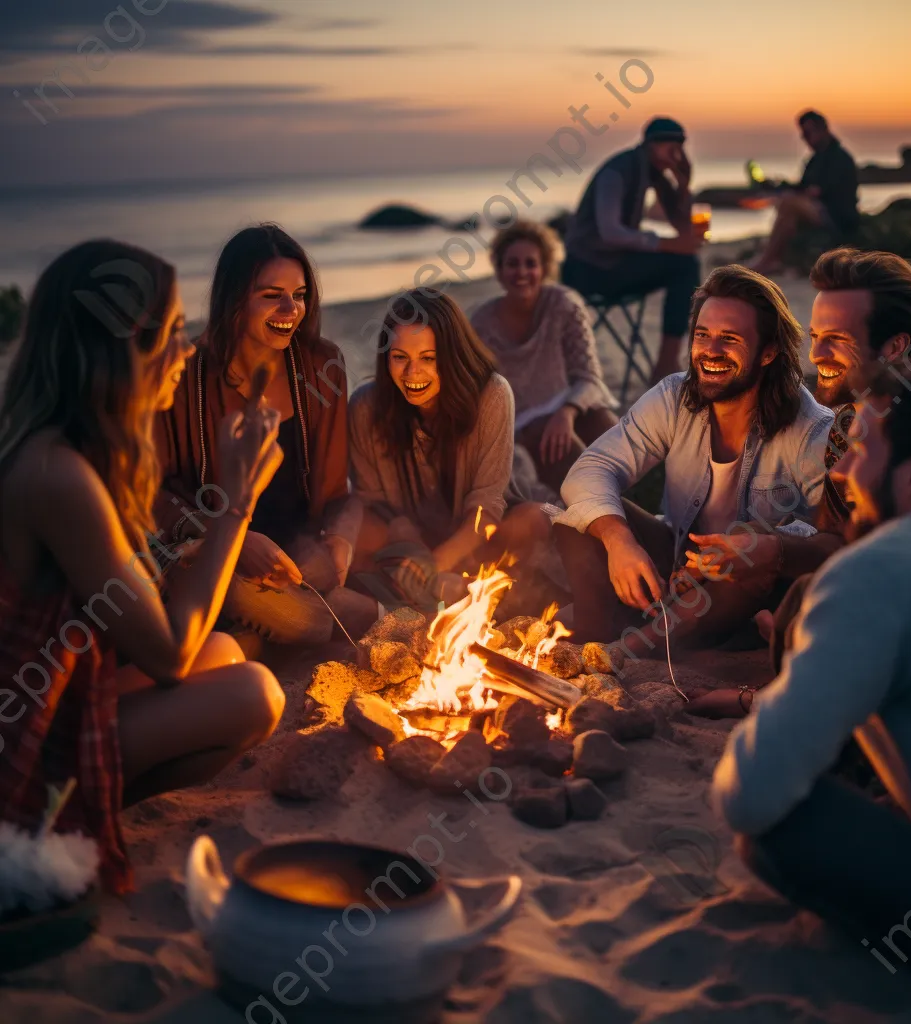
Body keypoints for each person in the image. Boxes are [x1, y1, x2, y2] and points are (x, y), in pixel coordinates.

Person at [711, 357, 911, 997]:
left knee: (775, 829)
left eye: (858, 451)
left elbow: (747, 792)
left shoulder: (877, 568)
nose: (839, 470)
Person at [0, 241, 285, 893]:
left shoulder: (72, 448)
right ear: (123, 349)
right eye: (175, 333)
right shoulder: (56, 474)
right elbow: (166, 654)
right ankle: (69, 818)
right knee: (256, 693)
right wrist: (236, 504)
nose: (187, 352)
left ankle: (89, 804)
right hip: (22, 742)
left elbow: (161, 624)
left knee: (225, 652)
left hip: (52, 701)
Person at [686, 248, 911, 716]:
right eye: (815, 336)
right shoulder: (848, 422)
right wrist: (767, 546)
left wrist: (751, 698)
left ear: (893, 348)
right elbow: (835, 537)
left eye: (837, 340)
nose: (816, 355)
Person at [553, 265, 834, 649]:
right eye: (702, 335)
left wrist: (756, 543)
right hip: (680, 567)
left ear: (769, 352)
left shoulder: (813, 429)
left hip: (750, 600)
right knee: (579, 518)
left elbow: (834, 537)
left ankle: (626, 651)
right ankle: (594, 637)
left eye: (730, 339)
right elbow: (592, 468)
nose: (710, 351)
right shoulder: (674, 396)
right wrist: (619, 540)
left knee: (753, 565)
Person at [156, 225, 377, 648]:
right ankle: (348, 618)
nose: (290, 309)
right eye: (271, 294)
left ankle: (268, 634)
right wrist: (236, 540)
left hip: (298, 560)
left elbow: (338, 493)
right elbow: (155, 494)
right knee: (291, 617)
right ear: (235, 299)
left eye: (299, 295)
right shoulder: (187, 374)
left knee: (356, 563)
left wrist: (336, 543)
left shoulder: (321, 364)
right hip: (215, 558)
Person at [348, 289, 551, 610]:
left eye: (428, 358)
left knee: (539, 517)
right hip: (406, 542)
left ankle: (470, 590)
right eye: (400, 357)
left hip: (479, 537)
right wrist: (413, 550)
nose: (413, 373)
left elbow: (487, 506)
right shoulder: (364, 406)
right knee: (353, 529)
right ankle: (429, 595)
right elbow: (371, 502)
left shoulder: (493, 395)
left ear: (452, 356)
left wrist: (438, 563)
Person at [471, 220, 618, 493]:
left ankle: (634, 501)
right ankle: (605, 511)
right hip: (519, 426)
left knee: (610, 430)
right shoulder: (481, 324)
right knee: (570, 454)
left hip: (565, 407)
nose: (522, 272)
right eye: (512, 263)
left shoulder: (563, 304)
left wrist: (567, 412)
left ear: (544, 268)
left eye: (531, 263)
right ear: (500, 270)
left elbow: (589, 378)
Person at [561, 116, 704, 384]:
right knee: (684, 265)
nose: (674, 154)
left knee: (686, 263)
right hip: (587, 270)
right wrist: (663, 243)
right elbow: (610, 232)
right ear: (649, 145)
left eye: (678, 148)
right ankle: (665, 363)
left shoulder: (655, 176)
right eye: (667, 146)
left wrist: (683, 185)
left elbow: (682, 230)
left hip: (613, 266)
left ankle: (667, 359)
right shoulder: (618, 172)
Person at [751, 111, 859, 275]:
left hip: (836, 217)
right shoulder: (815, 159)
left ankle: (767, 261)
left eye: (808, 133)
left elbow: (820, 191)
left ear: (822, 129)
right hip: (820, 212)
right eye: (803, 134)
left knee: (788, 203)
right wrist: (779, 186)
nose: (805, 138)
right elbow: (803, 187)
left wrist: (798, 194)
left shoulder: (839, 158)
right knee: (787, 213)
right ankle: (773, 259)